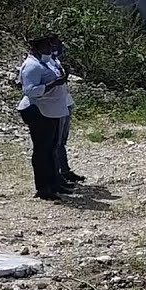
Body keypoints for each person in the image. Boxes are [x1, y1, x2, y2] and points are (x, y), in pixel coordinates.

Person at [17, 36, 71, 200]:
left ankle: (54, 182)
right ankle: (43, 187)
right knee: (42, 151)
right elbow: (30, 91)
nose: (50, 48)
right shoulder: (31, 66)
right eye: (46, 46)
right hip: (39, 111)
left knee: (52, 148)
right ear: (37, 48)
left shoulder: (47, 62)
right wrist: (54, 84)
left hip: (52, 110)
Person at [45, 36, 85, 185]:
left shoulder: (56, 62)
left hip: (66, 102)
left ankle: (64, 170)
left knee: (62, 141)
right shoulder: (45, 63)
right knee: (56, 142)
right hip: (57, 105)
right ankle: (58, 173)